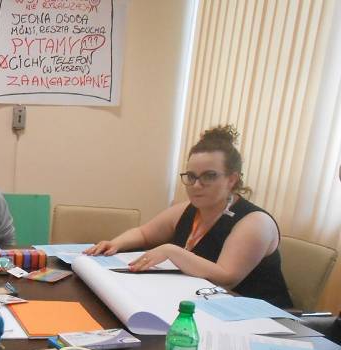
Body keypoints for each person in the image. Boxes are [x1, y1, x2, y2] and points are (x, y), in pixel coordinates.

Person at [85, 126, 292, 308]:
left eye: (209, 176)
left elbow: (226, 278)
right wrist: (115, 244)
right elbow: (144, 233)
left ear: (232, 179)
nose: (196, 185)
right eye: (191, 176)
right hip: (201, 303)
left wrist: (171, 251)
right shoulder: (188, 209)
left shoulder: (255, 222)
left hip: (257, 317)